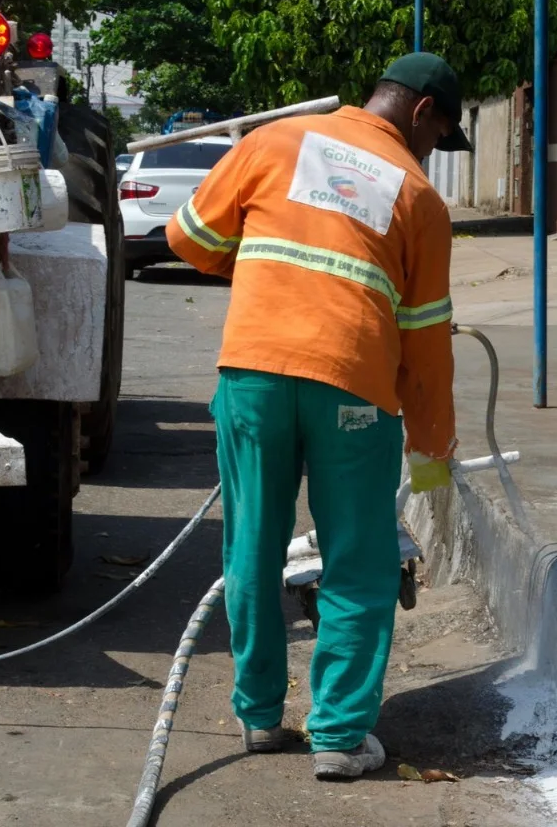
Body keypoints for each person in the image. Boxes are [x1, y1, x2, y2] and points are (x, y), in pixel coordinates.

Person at [165, 53, 472, 780]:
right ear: (422, 111)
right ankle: (337, 736)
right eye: (441, 135)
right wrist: (432, 450)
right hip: (353, 391)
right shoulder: (419, 198)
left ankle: (261, 718)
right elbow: (427, 344)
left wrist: (269, 265)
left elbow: (188, 240)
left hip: (254, 378)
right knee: (360, 561)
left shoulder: (273, 142)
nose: (434, 151)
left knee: (253, 550)